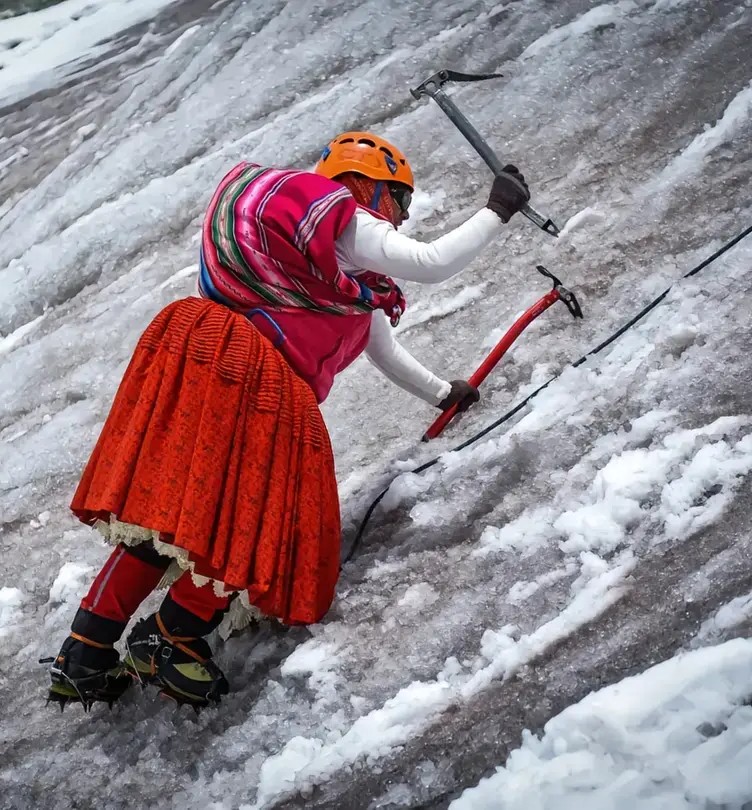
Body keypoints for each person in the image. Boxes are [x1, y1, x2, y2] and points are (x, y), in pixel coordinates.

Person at [47, 131, 531, 709]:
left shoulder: (336, 285)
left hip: (204, 354)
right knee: (250, 521)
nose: (399, 219)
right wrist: (497, 208)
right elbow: (432, 261)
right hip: (260, 382)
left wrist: (443, 394)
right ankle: (172, 640)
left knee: (172, 512)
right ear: (366, 186)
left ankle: (84, 654)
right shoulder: (343, 221)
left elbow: (385, 351)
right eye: (399, 202)